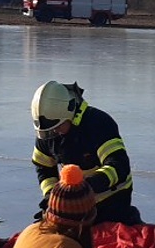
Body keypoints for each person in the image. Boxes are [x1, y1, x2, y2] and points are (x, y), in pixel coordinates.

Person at [30, 80, 142, 225]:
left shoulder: (98, 124)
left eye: (58, 127)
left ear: (70, 113)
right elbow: (43, 167)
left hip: (112, 201)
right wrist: (52, 196)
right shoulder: (49, 130)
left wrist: (84, 188)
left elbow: (118, 166)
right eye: (49, 131)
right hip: (75, 205)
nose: (54, 133)